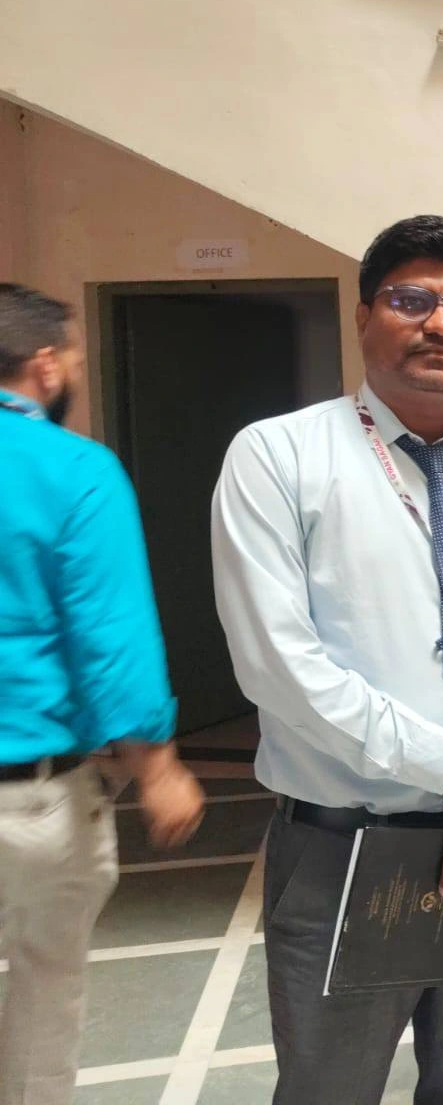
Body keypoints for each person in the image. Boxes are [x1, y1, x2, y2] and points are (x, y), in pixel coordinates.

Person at [211, 215, 443, 1105]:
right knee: (330, 1088)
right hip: (347, 848)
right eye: (412, 300)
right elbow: (278, 663)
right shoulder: (280, 455)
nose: (441, 324)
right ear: (364, 316)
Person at [0, 285, 205, 1105]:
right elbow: (110, 638)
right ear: (46, 366)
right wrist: (158, 768)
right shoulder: (73, 469)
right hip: (32, 804)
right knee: (44, 992)